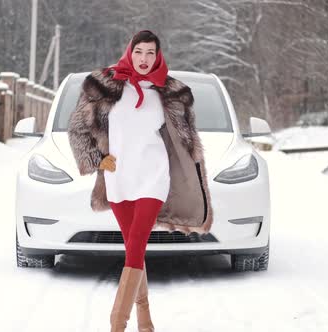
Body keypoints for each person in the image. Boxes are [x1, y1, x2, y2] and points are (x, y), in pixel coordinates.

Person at [68, 30, 214, 332]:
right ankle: (145, 320)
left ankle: (116, 324)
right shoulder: (105, 85)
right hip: (119, 178)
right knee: (133, 248)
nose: (144, 59)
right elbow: (77, 129)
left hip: (153, 176)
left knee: (136, 246)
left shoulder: (171, 92)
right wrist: (96, 159)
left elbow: (189, 141)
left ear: (158, 55)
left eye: (151, 52)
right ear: (129, 52)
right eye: (139, 52)